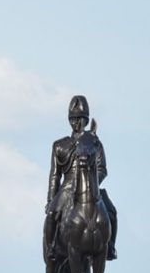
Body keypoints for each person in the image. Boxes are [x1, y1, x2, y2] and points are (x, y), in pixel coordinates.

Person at [45, 95, 117, 262]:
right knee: (51, 214)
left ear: (86, 120)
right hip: (67, 187)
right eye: (73, 119)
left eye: (80, 119)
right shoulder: (60, 145)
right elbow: (55, 175)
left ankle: (110, 247)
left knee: (112, 212)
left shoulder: (93, 142)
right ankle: (51, 248)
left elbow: (102, 168)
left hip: (92, 186)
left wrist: (91, 184)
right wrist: (51, 199)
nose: (77, 123)